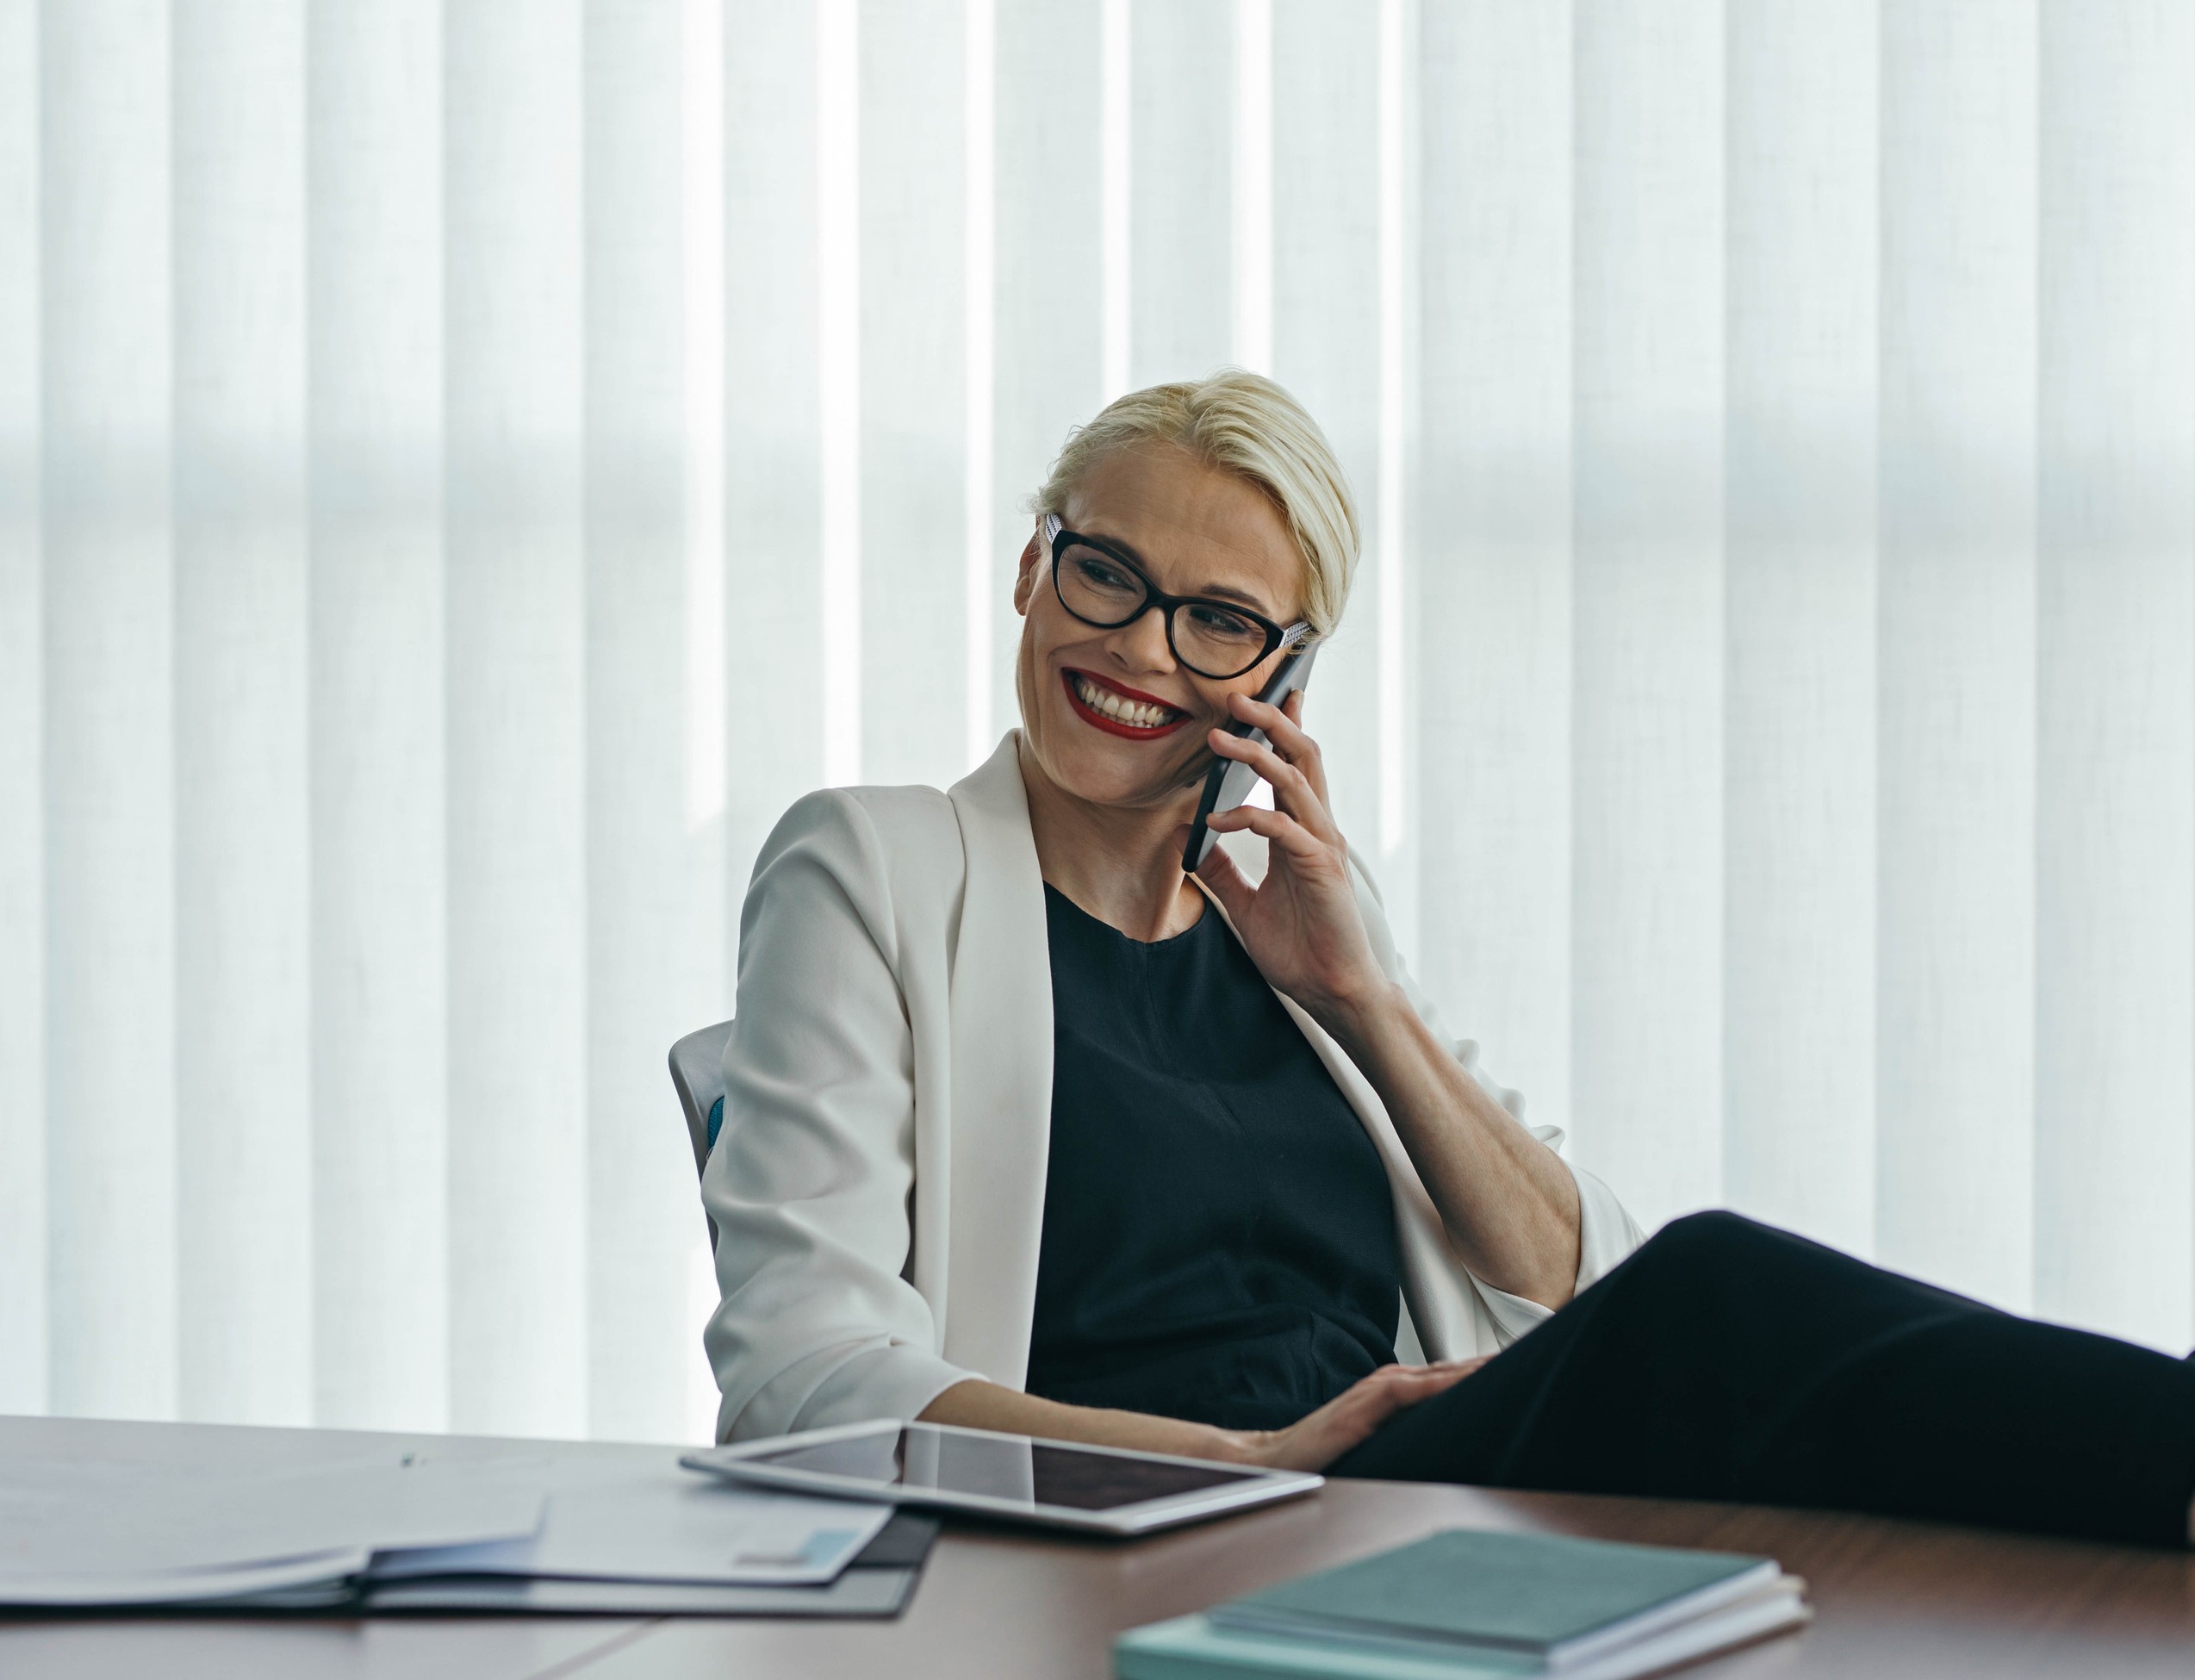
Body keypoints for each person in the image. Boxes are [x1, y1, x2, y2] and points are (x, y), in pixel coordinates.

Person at [700, 370, 2195, 1549]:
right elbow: (802, 1375)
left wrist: (1365, 996)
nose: (1146, 650)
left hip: (1392, 1509)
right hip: (1154, 1522)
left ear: (1285, 676)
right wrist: (1256, 1459)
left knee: (1887, 1505)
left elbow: (1579, 1281)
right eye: (1106, 575)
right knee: (1723, 1294)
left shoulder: (1298, 919)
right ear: (1033, 569)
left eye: (1219, 620)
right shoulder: (872, 867)